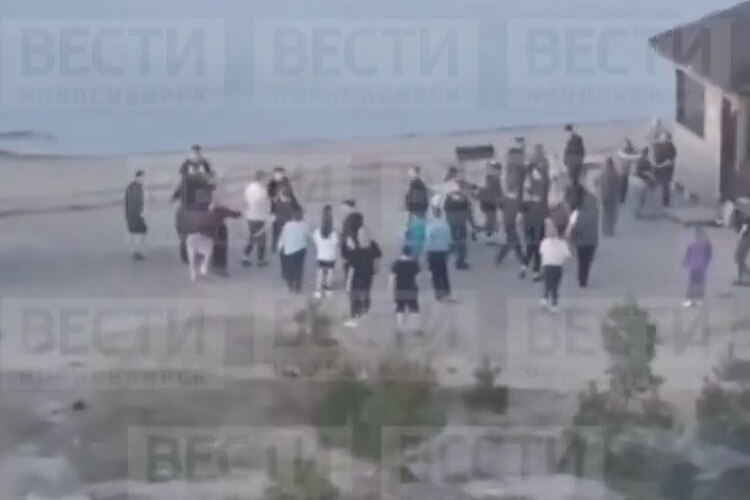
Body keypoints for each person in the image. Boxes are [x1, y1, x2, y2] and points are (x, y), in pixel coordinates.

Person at [180, 202, 242, 282]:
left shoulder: (196, 208)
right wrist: (241, 212)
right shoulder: (220, 211)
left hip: (192, 236)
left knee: (192, 252)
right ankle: (204, 267)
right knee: (208, 252)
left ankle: (193, 271)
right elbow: (235, 214)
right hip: (205, 237)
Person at [345, 227, 382, 327]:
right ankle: (365, 311)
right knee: (366, 292)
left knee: (354, 295)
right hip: (368, 275)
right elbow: (378, 257)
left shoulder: (355, 251)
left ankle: (354, 317)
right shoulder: (373, 245)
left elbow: (352, 268)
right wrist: (376, 268)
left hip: (357, 277)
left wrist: (348, 282)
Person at [566, 186, 599, 288]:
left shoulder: (577, 211)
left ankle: (582, 279)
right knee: (588, 260)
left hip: (581, 240)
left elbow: (574, 228)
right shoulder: (593, 205)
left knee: (581, 260)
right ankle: (584, 277)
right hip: (593, 239)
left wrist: (570, 240)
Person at [540, 219, 572, 313]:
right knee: (555, 287)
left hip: (547, 267)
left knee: (547, 284)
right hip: (557, 268)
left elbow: (542, 252)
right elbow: (568, 256)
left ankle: (544, 299)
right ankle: (554, 306)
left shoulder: (544, 242)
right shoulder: (563, 244)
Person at [519, 175, 546, 281]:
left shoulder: (526, 204)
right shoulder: (542, 205)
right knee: (537, 254)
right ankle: (535, 274)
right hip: (539, 231)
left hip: (529, 230)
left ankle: (523, 267)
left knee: (529, 251)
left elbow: (520, 218)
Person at [242, 170, 271, 267]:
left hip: (250, 216)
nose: (267, 180)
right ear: (261, 178)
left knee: (252, 236)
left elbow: (246, 199)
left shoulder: (249, 187)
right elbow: (264, 204)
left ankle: (245, 257)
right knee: (261, 239)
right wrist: (268, 216)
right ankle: (260, 260)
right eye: (265, 178)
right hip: (259, 217)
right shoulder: (262, 190)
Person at [425, 206, 453, 301]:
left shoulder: (430, 226)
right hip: (443, 251)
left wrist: (426, 252)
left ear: (432, 214)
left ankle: (438, 292)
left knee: (435, 274)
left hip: (433, 252)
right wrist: (448, 250)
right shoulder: (445, 225)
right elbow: (449, 238)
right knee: (443, 272)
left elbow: (428, 240)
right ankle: (446, 290)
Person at [277, 209, 309, 293]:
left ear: (293, 217)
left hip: (289, 250)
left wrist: (280, 247)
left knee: (290, 268)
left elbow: (283, 237)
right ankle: (297, 286)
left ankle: (290, 285)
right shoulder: (305, 225)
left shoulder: (287, 225)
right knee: (299, 268)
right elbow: (308, 237)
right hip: (301, 250)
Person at [390, 245, 421, 331]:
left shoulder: (396, 264)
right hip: (411, 288)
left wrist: (391, 289)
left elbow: (392, 277)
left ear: (402, 252)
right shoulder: (414, 264)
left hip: (399, 288)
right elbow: (417, 278)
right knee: (414, 308)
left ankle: (399, 326)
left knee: (400, 307)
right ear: (410, 253)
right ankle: (415, 327)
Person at [444, 186, 474, 270]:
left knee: (454, 240)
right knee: (462, 243)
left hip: (452, 223)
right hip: (461, 223)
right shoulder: (464, 199)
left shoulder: (448, 200)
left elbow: (446, 211)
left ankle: (445, 254)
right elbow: (468, 212)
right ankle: (460, 262)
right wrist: (472, 223)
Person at [682, 226, 712, 308]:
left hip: (700, 267)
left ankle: (697, 298)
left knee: (698, 283)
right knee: (693, 283)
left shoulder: (705, 245)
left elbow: (708, 255)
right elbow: (688, 254)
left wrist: (685, 261)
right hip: (696, 267)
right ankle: (691, 298)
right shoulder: (693, 245)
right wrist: (685, 261)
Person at [313, 205, 339, 298]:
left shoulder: (317, 232)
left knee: (320, 273)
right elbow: (336, 243)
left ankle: (318, 291)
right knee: (330, 273)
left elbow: (315, 242)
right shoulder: (334, 233)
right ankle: (328, 289)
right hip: (331, 256)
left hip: (321, 255)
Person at [124, 170, 147, 261]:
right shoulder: (136, 187)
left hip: (131, 214)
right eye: (142, 177)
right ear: (138, 177)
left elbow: (127, 201)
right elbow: (136, 202)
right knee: (140, 232)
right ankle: (136, 252)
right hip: (135, 215)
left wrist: (127, 215)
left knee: (135, 233)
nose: (143, 179)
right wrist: (140, 213)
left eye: (143, 177)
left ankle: (135, 251)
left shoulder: (131, 186)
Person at [478, 161, 503, 241]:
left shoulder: (496, 178)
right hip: (490, 203)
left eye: (492, 168)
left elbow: (496, 191)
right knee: (492, 221)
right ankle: (493, 237)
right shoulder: (491, 178)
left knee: (493, 221)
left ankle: (494, 237)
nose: (490, 169)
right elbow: (492, 190)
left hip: (492, 203)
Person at [340, 199, 364, 277]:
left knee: (351, 266)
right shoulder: (355, 216)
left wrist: (350, 242)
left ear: (349, 207)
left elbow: (349, 232)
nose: (342, 210)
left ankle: (350, 281)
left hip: (351, 245)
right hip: (351, 245)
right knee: (351, 265)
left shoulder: (352, 217)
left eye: (344, 207)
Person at [653, 131, 677, 207]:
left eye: (664, 136)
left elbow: (670, 160)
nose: (662, 137)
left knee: (665, 185)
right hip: (657, 167)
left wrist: (661, 165)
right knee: (654, 182)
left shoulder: (670, 146)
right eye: (661, 136)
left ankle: (665, 204)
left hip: (666, 169)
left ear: (667, 138)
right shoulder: (656, 145)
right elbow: (653, 155)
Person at [599, 157, 621, 237]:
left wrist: (602, 195)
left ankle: (606, 230)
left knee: (606, 213)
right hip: (612, 197)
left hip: (606, 196)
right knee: (611, 214)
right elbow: (619, 185)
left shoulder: (604, 173)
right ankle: (610, 230)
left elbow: (598, 183)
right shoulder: (615, 173)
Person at [271, 187, 297, 253]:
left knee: (276, 235)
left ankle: (274, 247)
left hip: (278, 222)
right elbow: (291, 214)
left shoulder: (277, 203)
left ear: (282, 195)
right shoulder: (290, 203)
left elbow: (274, 212)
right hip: (286, 222)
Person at [634, 147, 658, 219]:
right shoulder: (642, 160)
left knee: (647, 198)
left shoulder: (649, 160)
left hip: (649, 182)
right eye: (650, 153)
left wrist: (652, 175)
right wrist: (647, 173)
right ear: (646, 153)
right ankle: (639, 212)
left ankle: (644, 212)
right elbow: (638, 171)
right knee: (642, 198)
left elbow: (653, 170)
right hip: (643, 181)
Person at [617, 138, 640, 204]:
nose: (625, 145)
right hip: (622, 171)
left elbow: (635, 155)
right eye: (624, 143)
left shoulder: (629, 150)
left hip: (626, 171)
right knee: (622, 185)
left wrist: (635, 149)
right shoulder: (621, 151)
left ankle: (622, 199)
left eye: (626, 143)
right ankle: (621, 199)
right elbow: (626, 157)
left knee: (625, 185)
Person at [734, 215, 750, 285]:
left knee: (739, 257)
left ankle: (745, 277)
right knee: (739, 257)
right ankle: (742, 278)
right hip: (745, 235)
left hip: (747, 236)